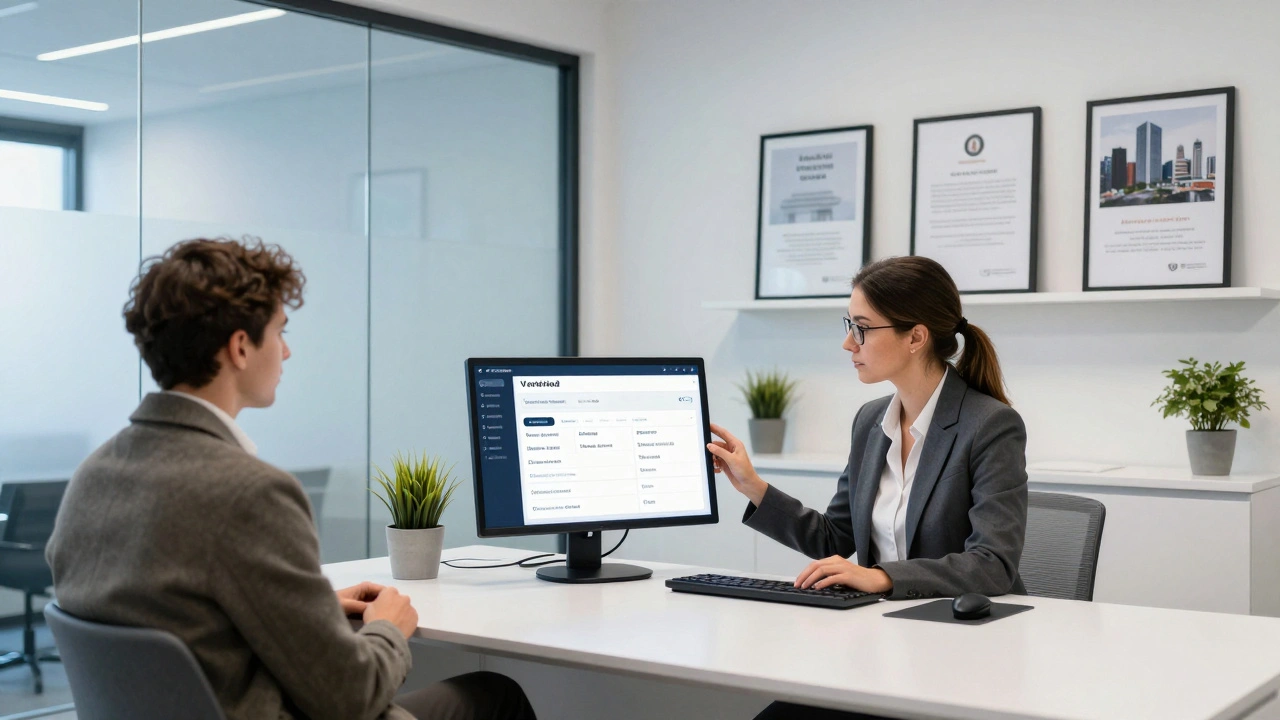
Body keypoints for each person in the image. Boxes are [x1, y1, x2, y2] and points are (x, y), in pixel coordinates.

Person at [46, 238, 536, 720]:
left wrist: (312, 607)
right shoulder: (250, 494)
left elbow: (180, 614)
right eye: (279, 332)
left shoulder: (92, 477)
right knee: (495, 696)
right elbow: (350, 697)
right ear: (240, 347)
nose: (286, 351)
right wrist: (388, 629)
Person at [707, 256, 1028, 720]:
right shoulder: (870, 422)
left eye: (861, 327)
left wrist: (881, 577)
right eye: (848, 325)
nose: (846, 342)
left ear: (915, 337)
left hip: (964, 651)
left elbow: (993, 564)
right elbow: (835, 539)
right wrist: (754, 487)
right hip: (884, 643)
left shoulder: (990, 425)